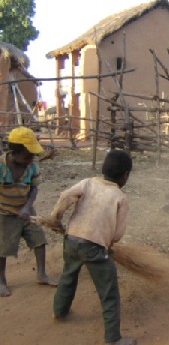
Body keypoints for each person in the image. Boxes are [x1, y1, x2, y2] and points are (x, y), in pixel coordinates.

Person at [50, 150, 136, 345]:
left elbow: (66, 196)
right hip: (95, 248)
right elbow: (118, 233)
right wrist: (109, 243)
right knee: (109, 291)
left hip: (71, 240)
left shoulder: (88, 183)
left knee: (68, 276)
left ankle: (59, 311)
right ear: (125, 175)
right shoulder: (120, 197)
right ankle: (113, 338)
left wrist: (56, 218)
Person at [0, 126, 57, 297]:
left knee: (39, 240)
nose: (31, 159)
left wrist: (26, 207)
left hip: (26, 210)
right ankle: (1, 281)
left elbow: (34, 189)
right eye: (27, 155)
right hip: (5, 215)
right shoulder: (1, 166)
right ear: (15, 151)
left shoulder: (32, 166)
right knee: (3, 248)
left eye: (33, 155)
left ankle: (41, 274)